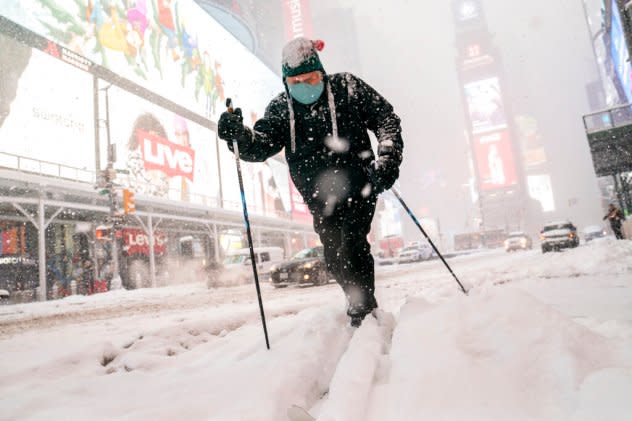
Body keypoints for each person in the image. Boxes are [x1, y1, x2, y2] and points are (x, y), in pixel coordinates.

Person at [218, 37, 404, 326]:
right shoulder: (282, 109)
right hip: (319, 196)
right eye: (297, 81)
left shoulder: (347, 88)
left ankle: (363, 310)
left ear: (322, 72)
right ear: (285, 82)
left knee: (353, 245)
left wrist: (388, 159)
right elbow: (262, 144)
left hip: (360, 185)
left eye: (312, 77)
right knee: (334, 258)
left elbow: (385, 119)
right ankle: (357, 298)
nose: (305, 85)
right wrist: (240, 136)